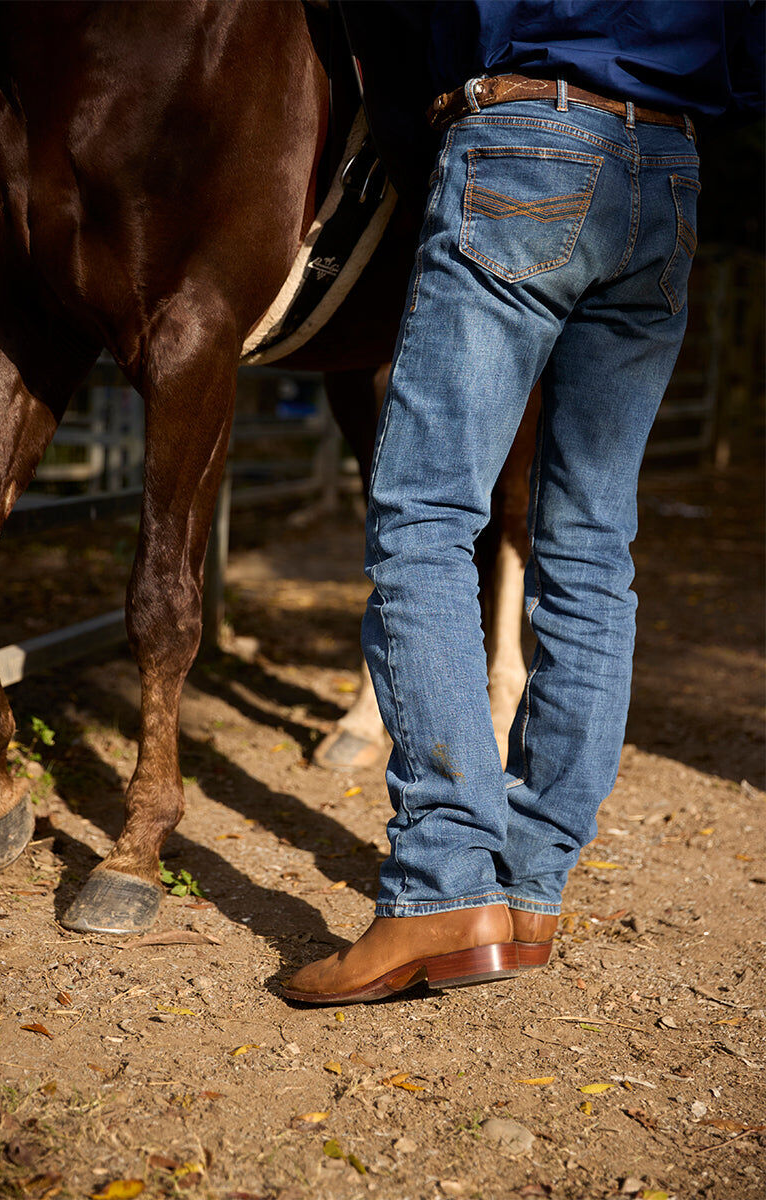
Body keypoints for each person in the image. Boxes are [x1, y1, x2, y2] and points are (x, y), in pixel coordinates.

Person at [283, 0, 765, 1004]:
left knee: (420, 517)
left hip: (525, 140)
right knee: (590, 549)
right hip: (667, 168)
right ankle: (528, 889)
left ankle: (440, 886)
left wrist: (436, 129)